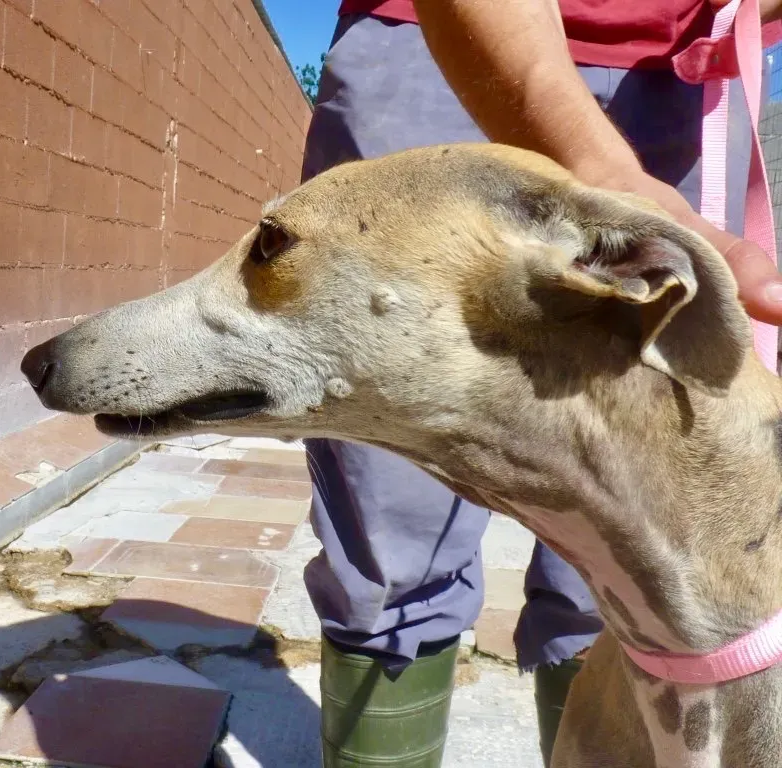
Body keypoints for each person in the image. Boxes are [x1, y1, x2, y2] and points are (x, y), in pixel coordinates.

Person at [301, 2, 782, 766]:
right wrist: (596, 171)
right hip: (444, 38)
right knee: (394, 538)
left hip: (680, 70)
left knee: (633, 565)